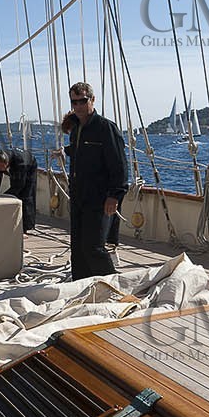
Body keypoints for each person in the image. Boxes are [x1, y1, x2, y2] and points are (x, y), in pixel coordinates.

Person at [60, 82, 127, 280]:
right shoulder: (77, 128)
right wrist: (65, 151)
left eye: (83, 101)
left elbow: (119, 165)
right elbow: (81, 151)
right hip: (79, 195)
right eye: (75, 102)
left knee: (93, 246)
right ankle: (81, 286)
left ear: (92, 100)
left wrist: (115, 195)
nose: (78, 106)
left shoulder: (105, 128)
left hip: (99, 198)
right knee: (78, 247)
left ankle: (113, 287)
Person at [0, 148, 38, 231]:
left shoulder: (20, 163)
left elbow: (19, 186)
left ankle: (26, 226)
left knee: (26, 194)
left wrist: (2, 198)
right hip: (11, 161)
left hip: (29, 164)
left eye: (0, 167)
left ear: (6, 163)